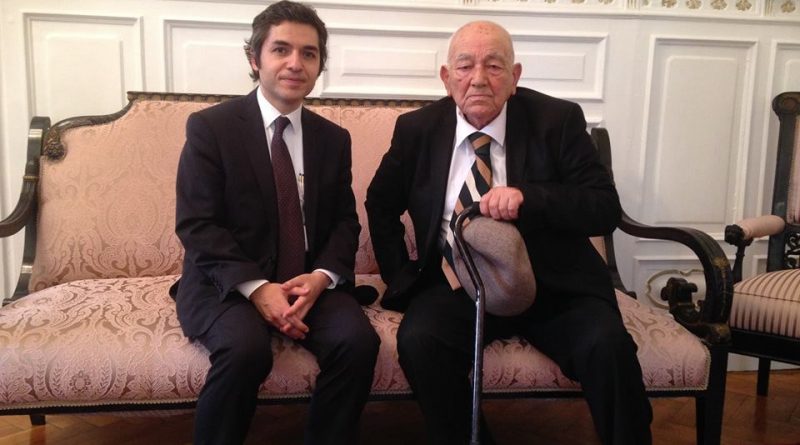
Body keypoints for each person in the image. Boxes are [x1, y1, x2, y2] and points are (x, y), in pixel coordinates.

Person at [366, 20, 652, 445]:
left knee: (607, 346)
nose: (479, 78)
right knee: (420, 341)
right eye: (465, 66)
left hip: (553, 284)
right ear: (447, 77)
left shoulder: (558, 120)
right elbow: (380, 202)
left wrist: (529, 197)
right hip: (461, 286)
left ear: (515, 76)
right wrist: (400, 274)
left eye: (494, 66)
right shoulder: (417, 129)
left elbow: (603, 208)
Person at [170, 1, 379, 444]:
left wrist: (321, 278)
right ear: (255, 58)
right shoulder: (211, 128)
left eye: (309, 53)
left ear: (320, 65)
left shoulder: (333, 139)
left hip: (306, 281)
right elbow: (198, 224)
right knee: (245, 350)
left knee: (357, 343)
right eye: (281, 49)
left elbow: (345, 222)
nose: (295, 63)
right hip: (228, 284)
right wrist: (257, 288)